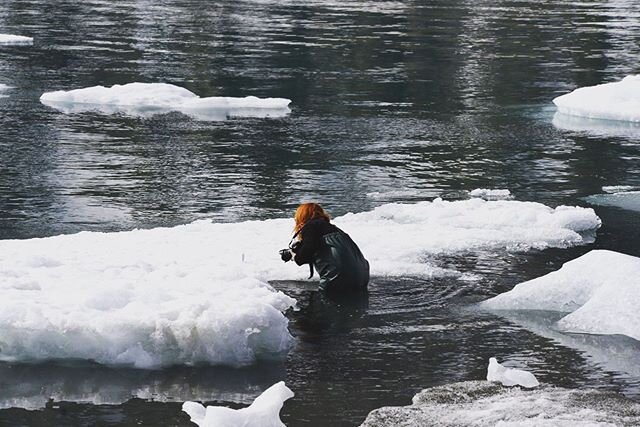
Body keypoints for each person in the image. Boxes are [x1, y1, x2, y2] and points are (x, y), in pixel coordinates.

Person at [280, 203, 369, 293]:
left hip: (337, 277)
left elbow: (309, 247)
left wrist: (296, 257)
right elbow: (325, 250)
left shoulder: (310, 226)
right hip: (362, 275)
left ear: (302, 216)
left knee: (324, 302)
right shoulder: (333, 229)